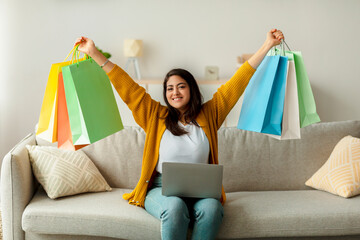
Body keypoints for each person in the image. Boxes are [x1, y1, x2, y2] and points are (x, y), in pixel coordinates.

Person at [75, 29, 284, 240]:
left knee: (211, 209)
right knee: (174, 207)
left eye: (181, 86)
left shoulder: (211, 113)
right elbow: (128, 89)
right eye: (169, 89)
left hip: (201, 190)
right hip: (161, 188)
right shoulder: (154, 115)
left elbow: (238, 82)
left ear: (192, 89)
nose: (175, 92)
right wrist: (93, 52)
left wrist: (267, 45)